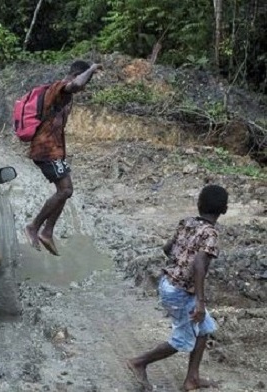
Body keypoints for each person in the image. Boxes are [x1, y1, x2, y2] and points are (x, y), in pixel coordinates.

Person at [127, 184, 228, 392]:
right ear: (224, 210)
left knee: (205, 329)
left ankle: (192, 378)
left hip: (170, 283)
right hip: (181, 293)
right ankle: (139, 362)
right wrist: (200, 301)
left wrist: (178, 265)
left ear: (198, 204)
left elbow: (167, 248)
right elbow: (199, 265)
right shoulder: (211, 234)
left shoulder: (186, 223)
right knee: (182, 340)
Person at [24, 60, 103, 256]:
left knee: (66, 190)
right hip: (45, 150)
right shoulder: (60, 88)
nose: (85, 86)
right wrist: (92, 69)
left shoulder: (66, 95)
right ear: (77, 75)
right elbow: (75, 85)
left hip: (54, 150)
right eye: (86, 79)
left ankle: (47, 231)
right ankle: (34, 227)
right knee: (66, 189)